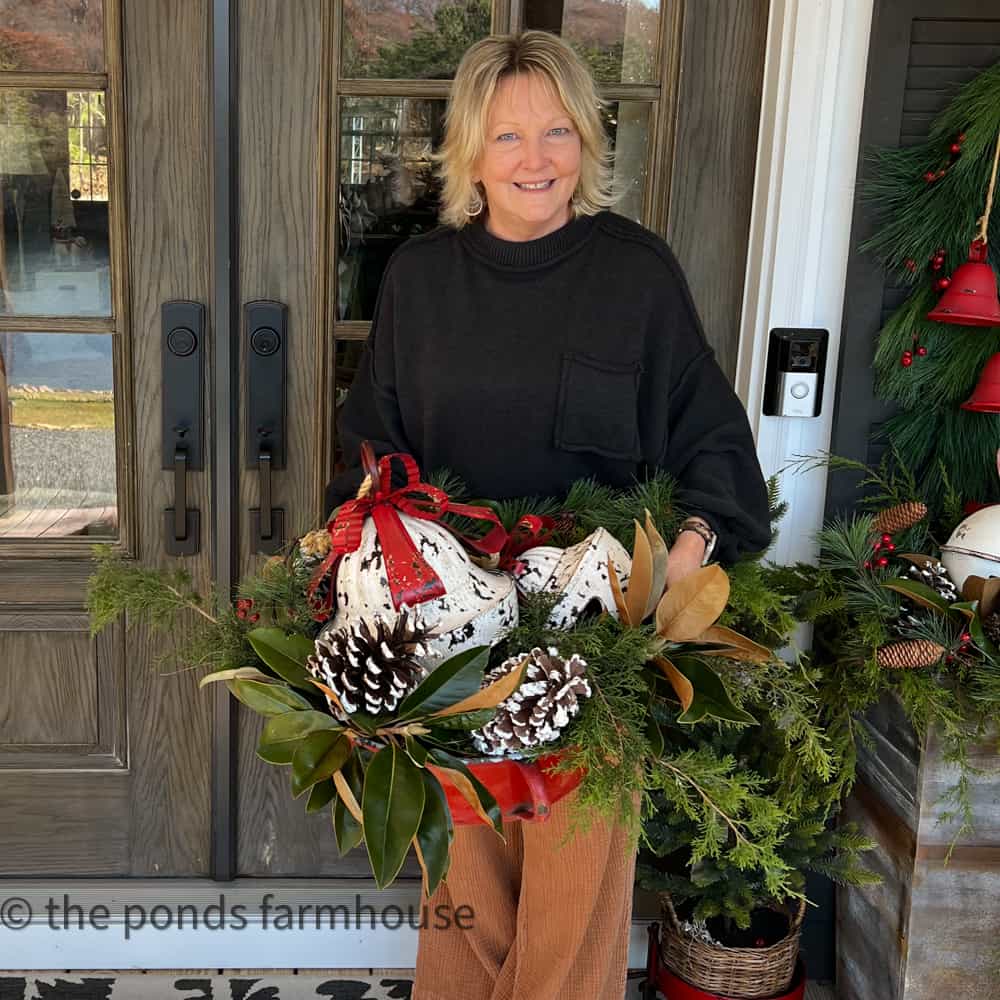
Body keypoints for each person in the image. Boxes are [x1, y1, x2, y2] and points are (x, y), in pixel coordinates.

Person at [324, 30, 772, 1000]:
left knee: (571, 921)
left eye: (558, 131)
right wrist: (354, 589)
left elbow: (716, 446)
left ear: (587, 142)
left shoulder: (636, 276)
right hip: (447, 647)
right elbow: (369, 452)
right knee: (465, 902)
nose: (536, 159)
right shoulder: (420, 280)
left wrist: (684, 561)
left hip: (593, 644)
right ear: (470, 153)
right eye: (509, 136)